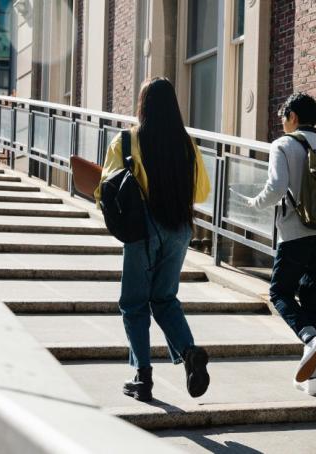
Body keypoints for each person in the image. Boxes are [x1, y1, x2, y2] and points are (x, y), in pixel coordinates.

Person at [94, 77, 211, 402]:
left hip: (143, 230)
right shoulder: (186, 144)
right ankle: (189, 352)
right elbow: (202, 191)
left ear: (142, 105)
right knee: (164, 299)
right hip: (179, 229)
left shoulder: (127, 140)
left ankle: (142, 378)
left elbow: (107, 188)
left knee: (133, 304)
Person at [246, 92, 316, 396]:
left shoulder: (283, 144)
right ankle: (314, 381)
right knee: (313, 299)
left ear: (292, 116)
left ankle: (310, 338)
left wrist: (254, 203)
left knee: (279, 292)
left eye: (282, 116)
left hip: (296, 236)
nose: (282, 122)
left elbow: (276, 188)